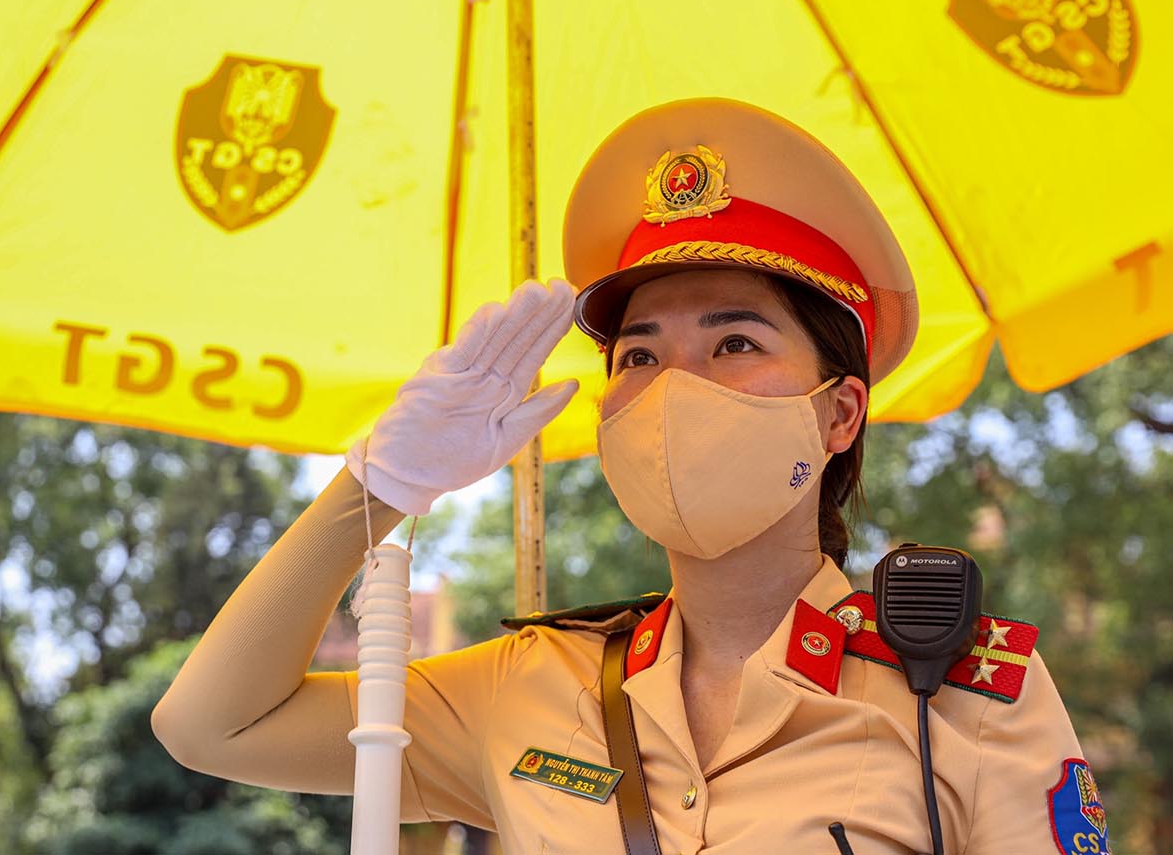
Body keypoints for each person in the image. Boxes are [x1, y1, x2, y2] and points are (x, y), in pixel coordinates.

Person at [152, 99, 1106, 854]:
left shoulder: (961, 693)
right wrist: (381, 484)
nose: (673, 388)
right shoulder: (528, 685)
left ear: (839, 412)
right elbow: (213, 725)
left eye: (735, 342)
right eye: (639, 356)